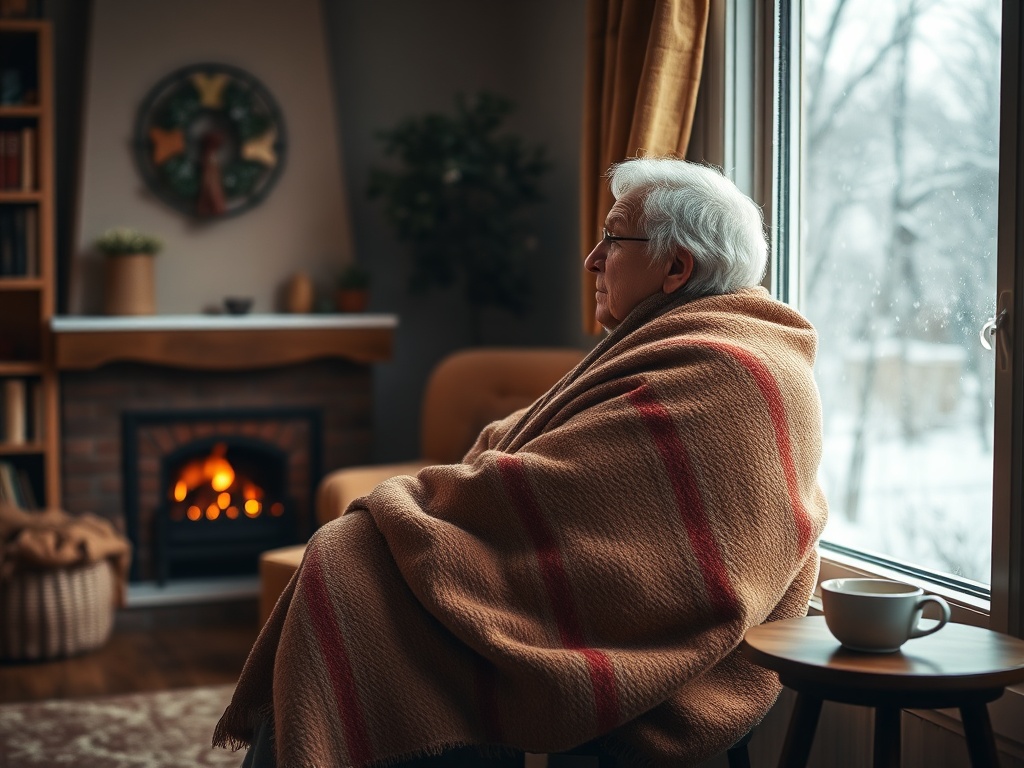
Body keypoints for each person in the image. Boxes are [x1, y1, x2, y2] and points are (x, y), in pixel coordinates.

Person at [214, 156, 828, 767]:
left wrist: (410, 500)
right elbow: (543, 451)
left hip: (646, 645)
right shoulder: (686, 341)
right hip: (588, 601)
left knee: (348, 562)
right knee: (349, 560)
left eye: (614, 239)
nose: (592, 259)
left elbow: (574, 496)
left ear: (676, 268)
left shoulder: (727, 367)